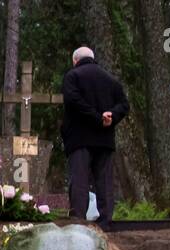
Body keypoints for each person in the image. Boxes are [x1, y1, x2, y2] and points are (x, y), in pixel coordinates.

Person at [60, 46, 129, 228]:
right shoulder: (111, 80)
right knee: (104, 181)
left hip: (79, 138)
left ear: (75, 60)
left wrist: (96, 117)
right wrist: (110, 116)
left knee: (80, 180)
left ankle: (78, 220)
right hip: (104, 139)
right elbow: (124, 104)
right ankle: (106, 220)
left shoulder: (72, 77)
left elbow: (74, 101)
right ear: (93, 58)